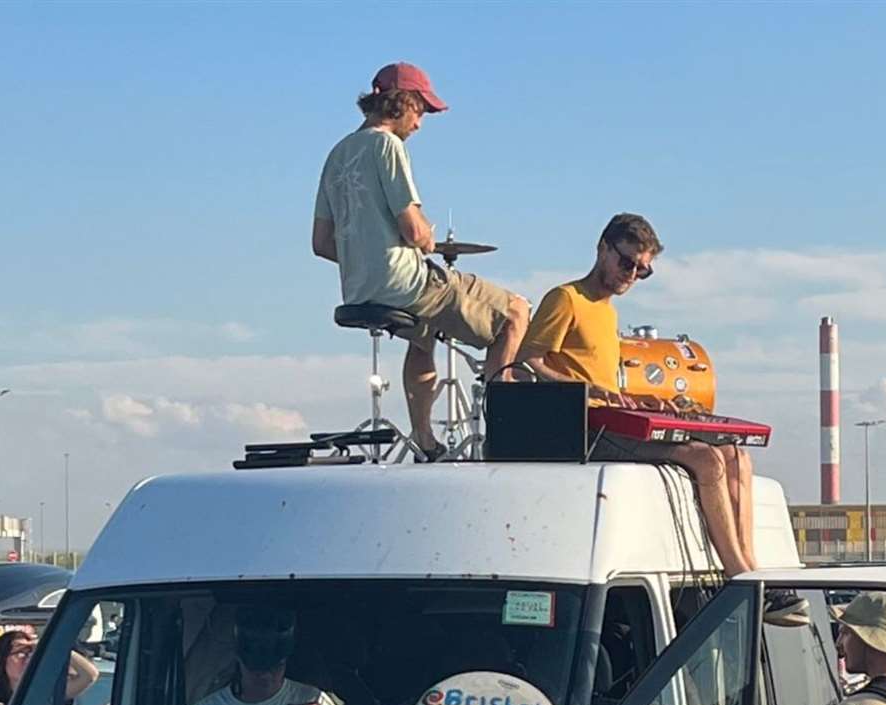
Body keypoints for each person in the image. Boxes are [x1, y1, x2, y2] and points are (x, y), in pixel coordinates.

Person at [514, 214, 759, 576]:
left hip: (610, 421)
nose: (630, 275)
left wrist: (641, 400)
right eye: (626, 263)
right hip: (582, 430)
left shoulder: (608, 312)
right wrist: (585, 391)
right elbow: (525, 363)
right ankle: (739, 574)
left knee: (736, 457)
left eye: (642, 271)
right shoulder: (566, 298)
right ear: (602, 249)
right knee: (706, 459)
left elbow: (599, 376)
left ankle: (756, 568)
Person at [312, 61, 530, 460]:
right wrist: (427, 236)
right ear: (403, 102)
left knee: (423, 335)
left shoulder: (337, 154)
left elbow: (322, 244)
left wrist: (367, 255)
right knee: (515, 312)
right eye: (421, 110)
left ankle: (426, 442)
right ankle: (505, 436)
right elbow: (413, 231)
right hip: (406, 282)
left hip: (360, 288)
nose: (421, 123)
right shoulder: (387, 146)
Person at [188, 606, 346, 705]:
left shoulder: (314, 704)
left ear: (285, 660)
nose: (265, 675)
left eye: (273, 667)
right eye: (255, 668)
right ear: (238, 659)